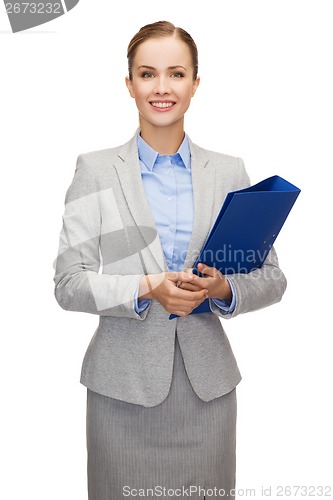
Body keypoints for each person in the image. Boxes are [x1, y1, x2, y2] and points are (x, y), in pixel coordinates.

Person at [53, 20, 287, 500]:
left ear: (195, 84)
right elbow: (69, 283)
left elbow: (272, 276)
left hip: (208, 393)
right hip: (121, 392)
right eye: (147, 74)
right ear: (130, 85)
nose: (162, 88)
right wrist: (146, 287)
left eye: (176, 74)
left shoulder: (229, 171)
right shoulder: (95, 170)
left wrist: (223, 289)